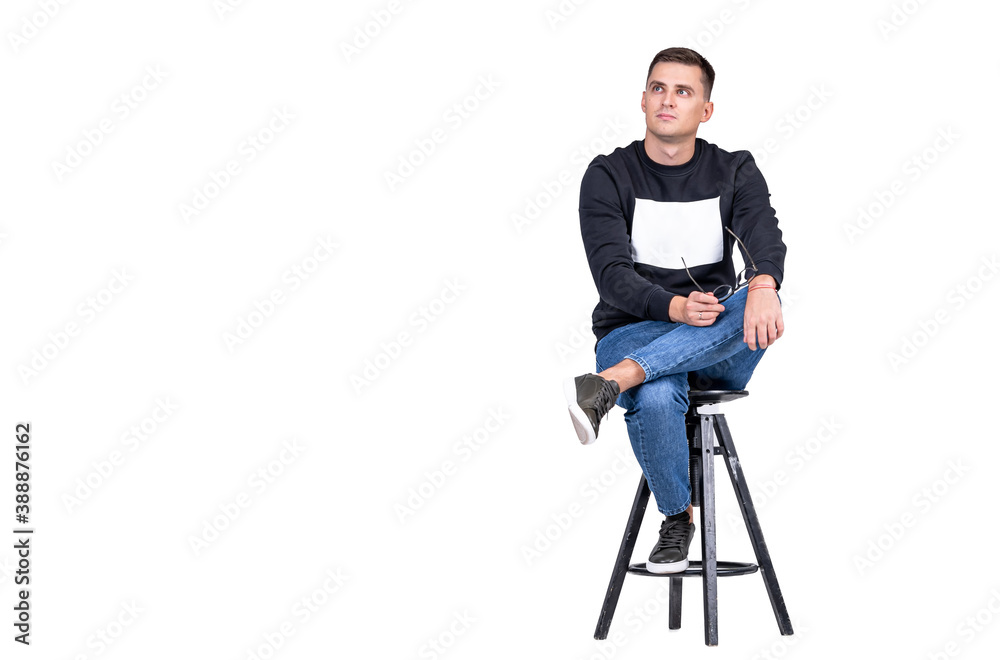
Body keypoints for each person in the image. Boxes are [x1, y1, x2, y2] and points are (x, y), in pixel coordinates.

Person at [564, 47, 787, 574]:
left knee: (761, 296)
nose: (668, 100)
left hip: (715, 338)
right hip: (632, 328)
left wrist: (762, 282)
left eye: (683, 92)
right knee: (661, 391)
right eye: (659, 89)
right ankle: (676, 521)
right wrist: (673, 307)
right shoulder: (608, 175)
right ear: (643, 99)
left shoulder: (734, 170)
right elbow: (611, 277)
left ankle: (612, 382)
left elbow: (764, 237)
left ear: (705, 110)